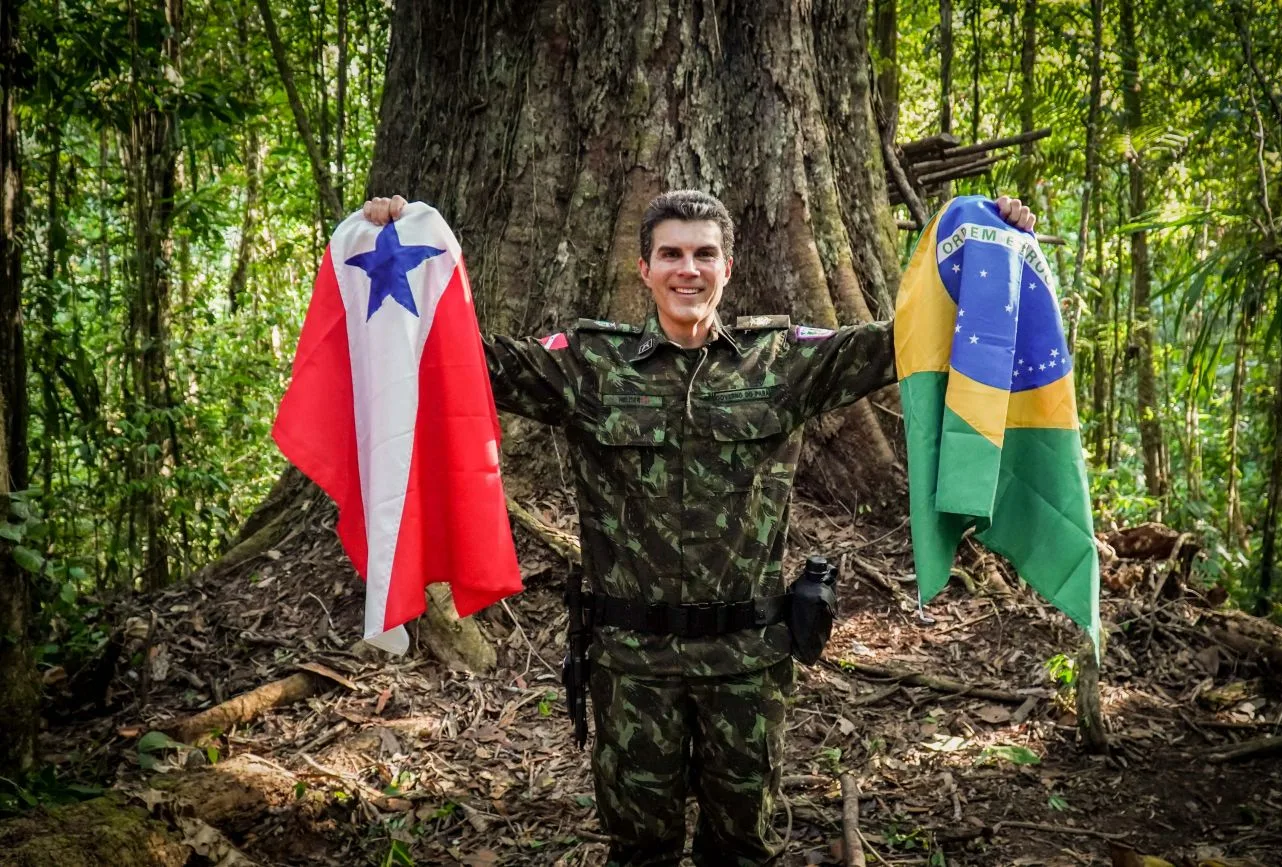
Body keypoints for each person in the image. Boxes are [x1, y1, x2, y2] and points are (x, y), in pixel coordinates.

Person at [362, 190, 1035, 866]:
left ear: (729, 267)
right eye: (672, 254)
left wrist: (990, 247)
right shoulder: (591, 365)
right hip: (632, 663)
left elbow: (906, 342)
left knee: (742, 847)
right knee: (640, 847)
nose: (689, 269)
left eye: (704, 254)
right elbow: (465, 361)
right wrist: (392, 250)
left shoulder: (782, 362)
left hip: (745, 661)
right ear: (644, 270)